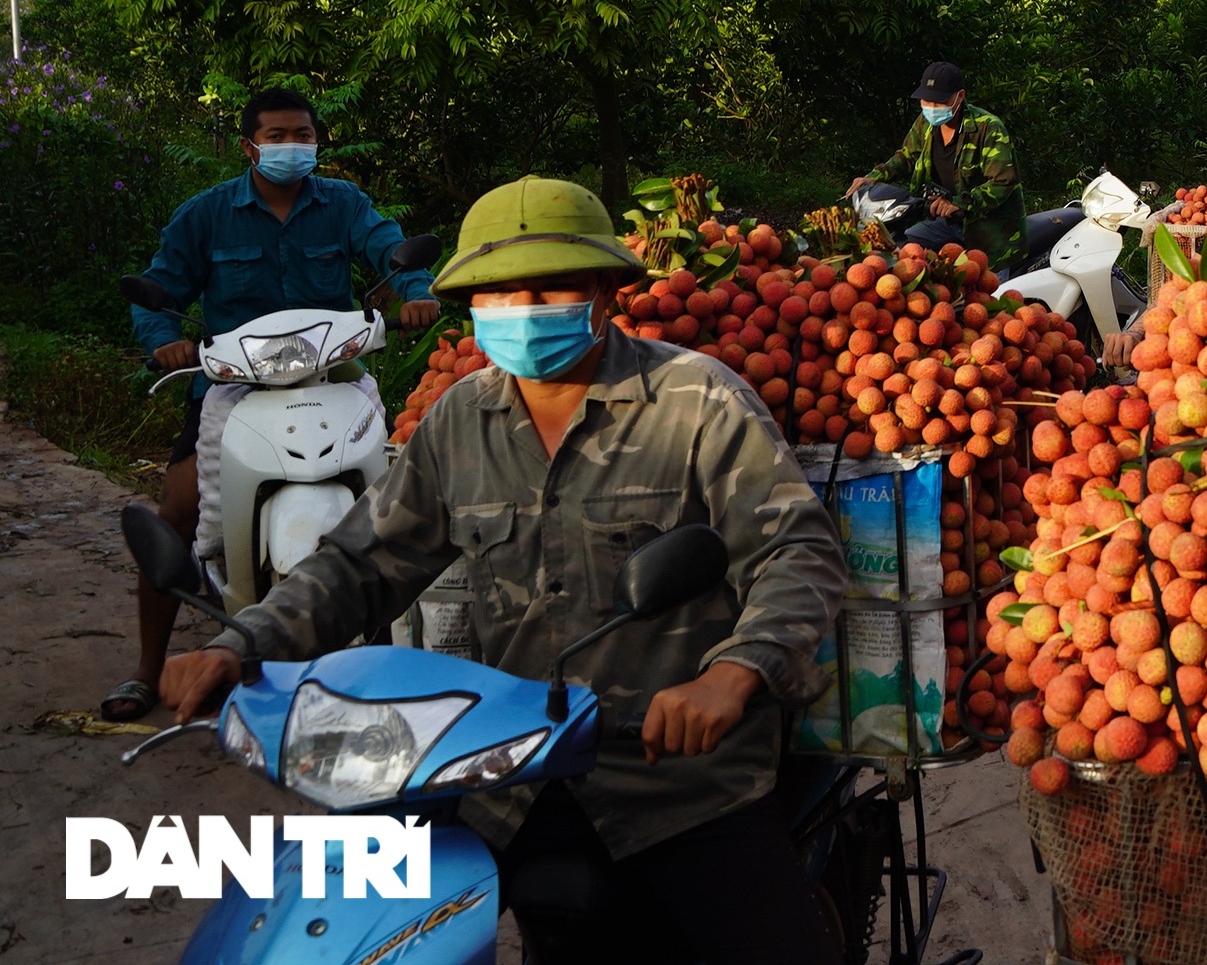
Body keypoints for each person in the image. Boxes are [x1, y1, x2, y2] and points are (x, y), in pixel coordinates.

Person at [158, 175, 846, 965]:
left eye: (549, 285)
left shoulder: (694, 401)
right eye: (499, 290)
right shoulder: (460, 418)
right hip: (506, 772)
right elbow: (361, 562)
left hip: (674, 781)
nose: (523, 307)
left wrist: (732, 674)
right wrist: (240, 644)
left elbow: (796, 548)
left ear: (603, 291)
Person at [111, 88, 438, 722]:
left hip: (333, 377)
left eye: (303, 135)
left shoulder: (344, 203)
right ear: (250, 146)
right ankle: (147, 671)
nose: (293, 146)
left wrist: (415, 291)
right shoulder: (206, 214)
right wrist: (165, 342)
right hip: (233, 388)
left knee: (402, 507)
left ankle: (404, 654)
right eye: (279, 136)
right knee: (179, 511)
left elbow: (389, 251)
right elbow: (160, 287)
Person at [850, 61, 1025, 259]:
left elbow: (1003, 181)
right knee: (901, 253)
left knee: (990, 287)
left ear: (960, 96)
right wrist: (873, 177)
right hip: (942, 223)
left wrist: (959, 203)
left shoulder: (988, 128)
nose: (932, 107)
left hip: (988, 233)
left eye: (939, 102)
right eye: (926, 100)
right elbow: (907, 156)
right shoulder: (925, 122)